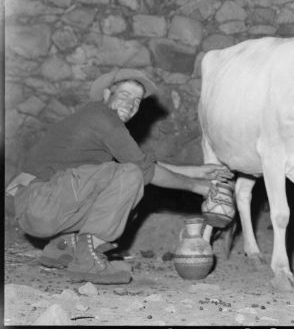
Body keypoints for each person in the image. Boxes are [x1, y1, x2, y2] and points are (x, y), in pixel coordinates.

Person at [6, 68, 233, 285]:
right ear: (106, 94)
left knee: (126, 184)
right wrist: (198, 187)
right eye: (125, 94)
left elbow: (140, 162)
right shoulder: (102, 116)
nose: (131, 103)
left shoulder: (94, 122)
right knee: (131, 179)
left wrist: (195, 171)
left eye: (137, 100)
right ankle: (88, 256)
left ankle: (64, 247)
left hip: (37, 205)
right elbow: (142, 170)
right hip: (38, 202)